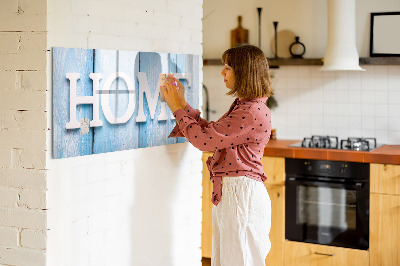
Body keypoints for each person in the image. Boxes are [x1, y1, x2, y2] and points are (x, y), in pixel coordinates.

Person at [161, 44, 273, 266]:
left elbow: (204, 141)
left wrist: (176, 108)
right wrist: (182, 103)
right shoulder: (246, 106)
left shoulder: (250, 111)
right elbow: (212, 133)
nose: (222, 72)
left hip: (241, 196)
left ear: (244, 72)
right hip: (236, 194)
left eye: (228, 67)